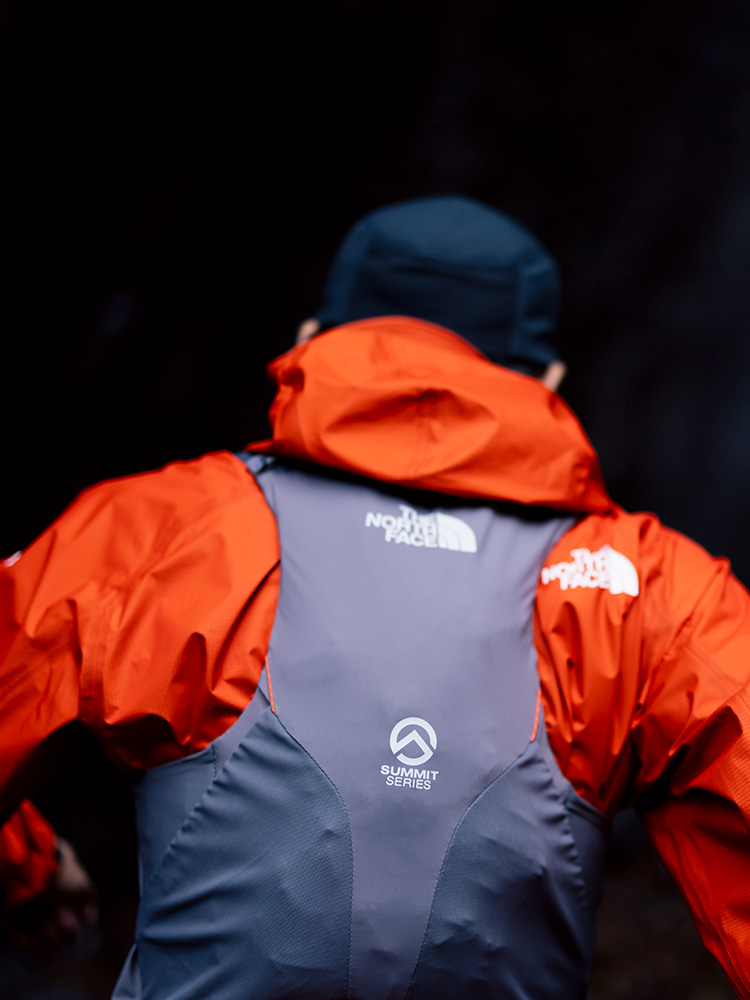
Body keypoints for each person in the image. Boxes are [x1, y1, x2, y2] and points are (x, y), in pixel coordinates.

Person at [0, 196, 748, 999]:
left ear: (308, 340)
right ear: (550, 382)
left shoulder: (157, 531)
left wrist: (24, 867)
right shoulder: (652, 589)